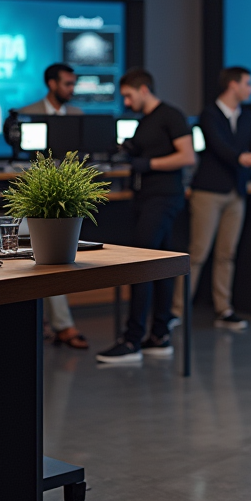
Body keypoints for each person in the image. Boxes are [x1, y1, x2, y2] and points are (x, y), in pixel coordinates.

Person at [96, 69, 196, 364]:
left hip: (163, 199)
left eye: (128, 95)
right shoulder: (145, 122)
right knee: (160, 265)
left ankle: (131, 340)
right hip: (145, 199)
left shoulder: (171, 115)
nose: (126, 102)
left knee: (140, 264)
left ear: (143, 89)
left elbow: (187, 156)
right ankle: (159, 336)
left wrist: (147, 163)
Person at [178, 67, 251, 331]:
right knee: (198, 252)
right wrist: (240, 158)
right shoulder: (209, 114)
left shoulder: (247, 116)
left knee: (227, 254)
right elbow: (219, 146)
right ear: (233, 85)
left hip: (236, 193)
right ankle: (177, 311)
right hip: (208, 192)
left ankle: (224, 309)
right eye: (248, 84)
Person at [19, 63, 87, 349]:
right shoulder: (28, 113)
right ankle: (58, 325)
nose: (72, 89)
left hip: (67, 198)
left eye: (74, 84)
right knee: (39, 260)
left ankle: (57, 324)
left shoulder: (77, 116)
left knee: (53, 261)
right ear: (51, 84)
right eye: (67, 84)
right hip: (36, 196)